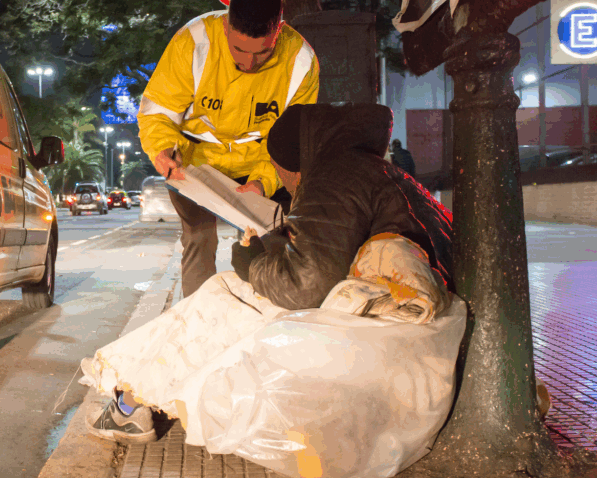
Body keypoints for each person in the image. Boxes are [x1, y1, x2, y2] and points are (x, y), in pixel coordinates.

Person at [89, 103, 454, 443]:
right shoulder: (378, 169)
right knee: (235, 294)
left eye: (280, 173)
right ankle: (134, 400)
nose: (285, 183)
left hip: (381, 334)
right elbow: (336, 250)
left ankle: (128, 406)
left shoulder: (333, 175)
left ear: (295, 164)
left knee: (223, 294)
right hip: (404, 323)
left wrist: (253, 265)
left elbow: (305, 287)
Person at [137, 0, 319, 298]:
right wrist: (162, 150)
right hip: (195, 165)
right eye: (239, 50)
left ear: (279, 32)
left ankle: (267, 314)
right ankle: (198, 315)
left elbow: (295, 139)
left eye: (262, 52)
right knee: (199, 238)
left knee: (274, 240)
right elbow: (158, 111)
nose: (249, 63)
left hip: (262, 163)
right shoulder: (194, 42)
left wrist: (264, 181)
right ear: (226, 27)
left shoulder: (301, 61)